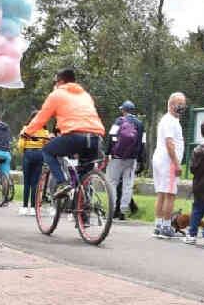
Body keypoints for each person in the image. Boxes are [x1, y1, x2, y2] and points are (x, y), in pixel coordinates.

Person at [24, 68, 105, 199]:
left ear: (61, 81)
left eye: (55, 82)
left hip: (75, 136)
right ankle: (84, 213)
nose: (55, 85)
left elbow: (41, 118)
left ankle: (62, 183)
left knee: (47, 151)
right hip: (95, 137)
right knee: (84, 176)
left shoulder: (57, 94)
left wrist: (27, 132)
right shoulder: (85, 95)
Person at [151, 92, 187, 238]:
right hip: (168, 162)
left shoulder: (169, 120)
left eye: (183, 104)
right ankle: (166, 227)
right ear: (171, 105)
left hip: (161, 160)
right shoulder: (170, 121)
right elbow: (169, 143)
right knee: (170, 195)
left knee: (161, 193)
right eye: (180, 104)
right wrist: (177, 164)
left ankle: (158, 225)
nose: (182, 107)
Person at [106, 100, 145, 220]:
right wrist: (140, 159)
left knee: (112, 182)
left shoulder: (119, 121)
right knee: (127, 184)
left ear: (123, 110)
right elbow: (142, 143)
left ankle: (112, 210)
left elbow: (111, 137)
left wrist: (108, 152)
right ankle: (123, 210)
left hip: (117, 158)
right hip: (131, 159)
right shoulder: (140, 124)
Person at [18, 109, 50, 216]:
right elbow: (47, 145)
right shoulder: (45, 132)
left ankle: (24, 207)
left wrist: (23, 152)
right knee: (35, 183)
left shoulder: (26, 129)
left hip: (28, 154)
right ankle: (32, 208)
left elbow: (21, 145)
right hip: (40, 155)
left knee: (26, 182)